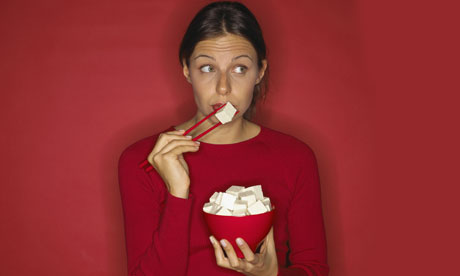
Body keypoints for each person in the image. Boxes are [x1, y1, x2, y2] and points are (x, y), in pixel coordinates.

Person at [118, 1, 329, 275]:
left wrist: (270, 274)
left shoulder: (296, 157)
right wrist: (178, 193)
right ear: (186, 70)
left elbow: (315, 268)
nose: (223, 87)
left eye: (239, 68)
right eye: (207, 68)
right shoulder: (142, 159)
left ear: (260, 72)